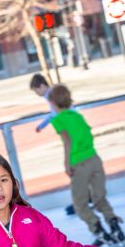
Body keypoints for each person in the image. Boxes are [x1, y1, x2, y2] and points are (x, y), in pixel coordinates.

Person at [48, 84, 125, 247]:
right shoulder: (78, 116)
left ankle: (99, 231)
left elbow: (67, 141)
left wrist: (67, 163)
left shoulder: (57, 120)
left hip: (79, 163)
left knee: (80, 203)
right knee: (99, 198)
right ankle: (114, 225)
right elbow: (88, 134)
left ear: (54, 104)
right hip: (94, 159)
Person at [29, 75, 77, 216]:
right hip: (73, 129)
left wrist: (41, 125)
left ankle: (81, 199)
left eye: (36, 90)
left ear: (42, 86)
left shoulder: (53, 96)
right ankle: (84, 197)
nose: (37, 94)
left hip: (70, 131)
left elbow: (54, 115)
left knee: (73, 165)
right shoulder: (55, 94)